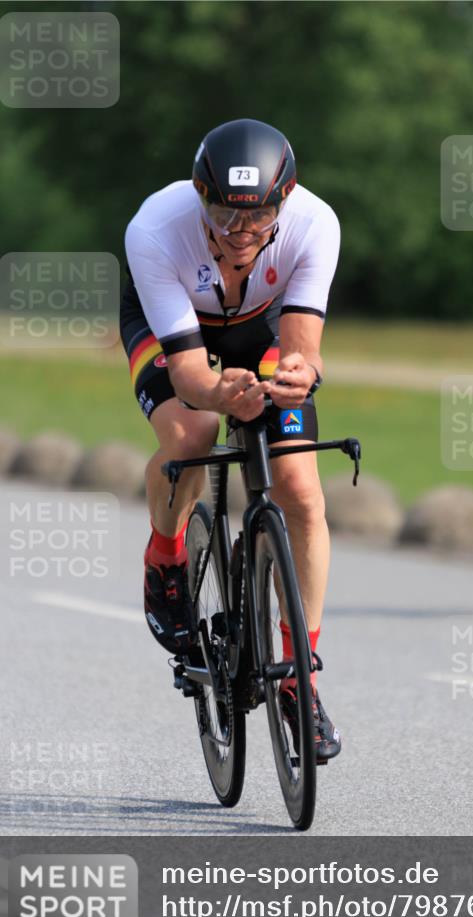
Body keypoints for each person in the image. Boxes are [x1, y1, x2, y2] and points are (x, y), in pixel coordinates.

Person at [120, 118, 342, 760]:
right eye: (223, 213)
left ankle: (301, 675)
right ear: (199, 196)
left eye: (259, 215)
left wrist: (296, 379)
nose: (240, 231)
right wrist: (221, 395)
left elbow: (302, 349)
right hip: (174, 324)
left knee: (299, 488)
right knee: (194, 429)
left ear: (286, 199)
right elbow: (190, 375)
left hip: (260, 326)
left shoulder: (315, 224)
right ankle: (166, 555)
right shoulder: (156, 230)